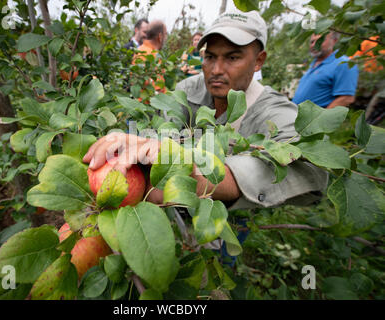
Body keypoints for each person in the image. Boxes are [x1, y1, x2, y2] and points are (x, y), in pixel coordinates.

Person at [83, 10, 328, 263]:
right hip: (177, 208)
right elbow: (162, 134)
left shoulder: (273, 110)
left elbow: (311, 168)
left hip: (231, 215)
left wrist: (194, 176)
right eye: (210, 57)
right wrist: (141, 147)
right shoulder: (188, 89)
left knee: (221, 262)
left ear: (258, 61)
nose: (216, 69)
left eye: (232, 57)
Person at [292, 32, 359, 108]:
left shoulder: (343, 63)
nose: (314, 45)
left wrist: (322, 119)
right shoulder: (314, 63)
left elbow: (346, 98)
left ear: (334, 41)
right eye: (312, 42)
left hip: (313, 119)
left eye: (319, 41)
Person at [132, 20, 168, 93]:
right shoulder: (152, 55)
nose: (166, 38)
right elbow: (157, 90)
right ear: (160, 36)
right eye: (165, 34)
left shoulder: (141, 50)